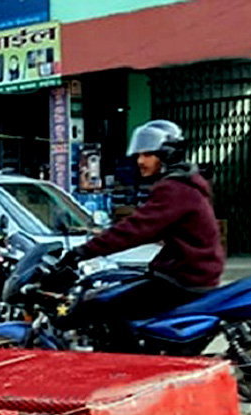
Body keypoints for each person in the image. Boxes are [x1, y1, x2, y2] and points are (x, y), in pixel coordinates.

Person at [57, 120, 223, 324]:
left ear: (167, 155)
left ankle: (124, 355)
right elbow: (147, 229)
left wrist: (81, 252)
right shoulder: (187, 184)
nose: (140, 161)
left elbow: (136, 229)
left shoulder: (175, 189)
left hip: (185, 278)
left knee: (107, 306)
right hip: (189, 272)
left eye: (147, 154)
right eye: (138, 155)